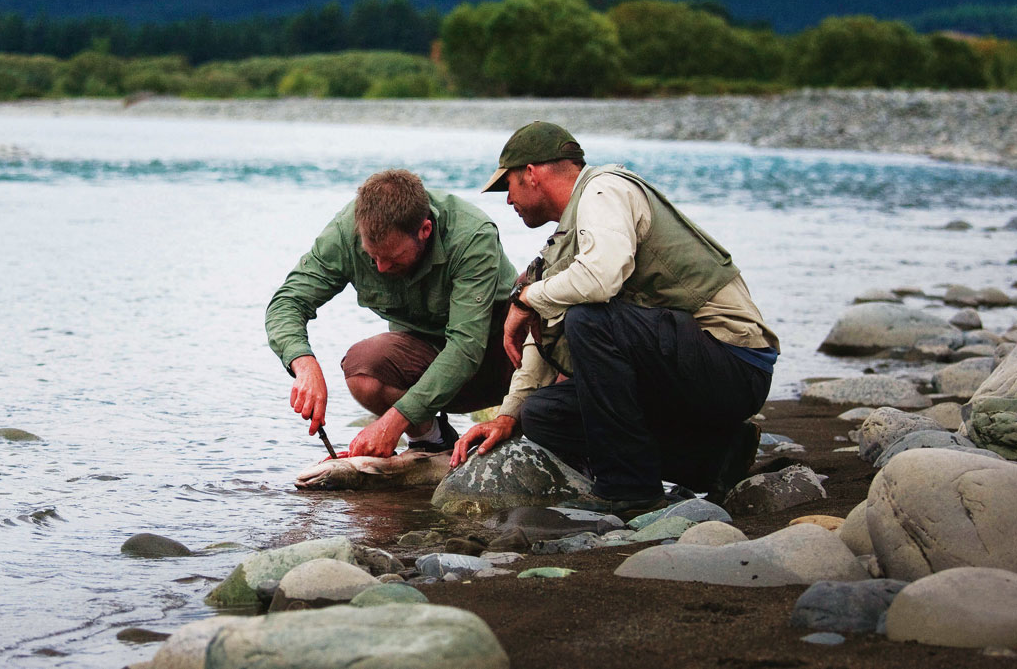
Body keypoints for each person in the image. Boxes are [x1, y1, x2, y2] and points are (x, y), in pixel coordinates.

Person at [451, 122, 779, 515]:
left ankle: (629, 488)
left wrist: (525, 301)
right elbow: (545, 331)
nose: (508, 202)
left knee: (590, 321)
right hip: (684, 370)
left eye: (509, 187)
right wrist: (507, 415)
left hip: (734, 362)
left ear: (532, 174)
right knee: (541, 415)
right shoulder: (569, 238)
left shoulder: (605, 191)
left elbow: (599, 280)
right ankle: (713, 458)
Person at [266, 169, 518, 457]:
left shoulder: (471, 236)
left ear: (425, 231)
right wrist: (304, 364)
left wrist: (392, 422)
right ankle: (432, 441)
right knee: (363, 366)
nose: (382, 268)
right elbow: (287, 302)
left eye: (393, 258)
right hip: (425, 363)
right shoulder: (345, 232)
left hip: (499, 365)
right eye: (373, 257)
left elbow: (466, 346)